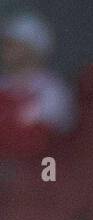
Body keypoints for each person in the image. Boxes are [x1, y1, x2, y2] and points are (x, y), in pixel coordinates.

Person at [0, 11, 75, 159]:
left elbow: (42, 138)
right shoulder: (3, 83)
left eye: (12, 44)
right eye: (5, 44)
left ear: (32, 50)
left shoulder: (53, 89)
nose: (5, 49)